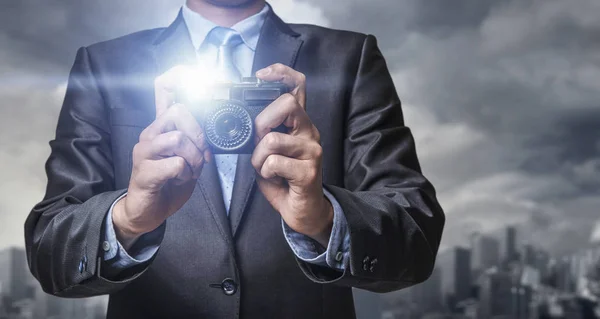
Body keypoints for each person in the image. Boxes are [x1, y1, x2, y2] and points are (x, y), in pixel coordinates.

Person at [24, 0, 445, 318]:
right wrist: (128, 220)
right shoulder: (104, 65)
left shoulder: (349, 59)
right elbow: (49, 250)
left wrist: (323, 218)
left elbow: (416, 240)